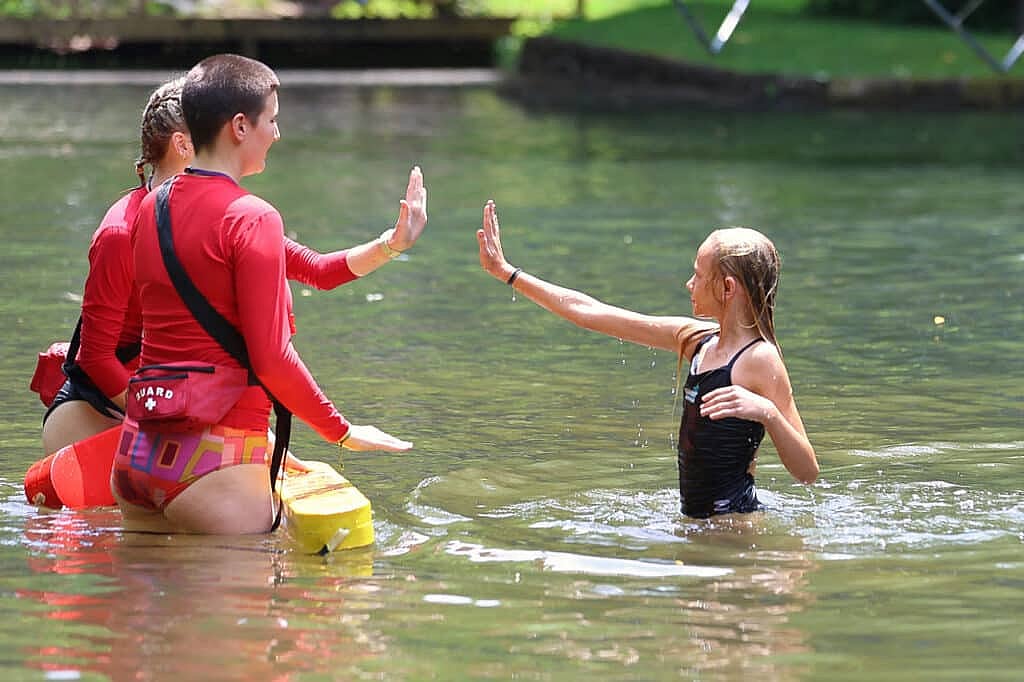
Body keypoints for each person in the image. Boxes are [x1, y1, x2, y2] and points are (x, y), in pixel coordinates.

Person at [113, 54, 423, 534]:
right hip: (215, 460)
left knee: (144, 608)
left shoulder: (150, 207)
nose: (276, 134)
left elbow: (316, 270)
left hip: (139, 452)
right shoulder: (252, 216)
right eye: (272, 120)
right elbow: (272, 359)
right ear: (240, 126)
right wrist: (341, 431)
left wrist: (392, 244)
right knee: (253, 606)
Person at [41, 77, 427, 459]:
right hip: (97, 415)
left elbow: (317, 270)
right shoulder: (120, 232)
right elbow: (96, 360)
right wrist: (162, 421)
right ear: (183, 144)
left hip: (172, 405)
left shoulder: (221, 214)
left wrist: (392, 244)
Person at [475, 200, 818, 518]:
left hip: (735, 531)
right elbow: (590, 312)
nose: (689, 284)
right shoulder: (695, 340)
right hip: (698, 527)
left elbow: (807, 472)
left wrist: (766, 413)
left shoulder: (760, 360)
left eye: (698, 275)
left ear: (728, 288)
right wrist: (508, 273)